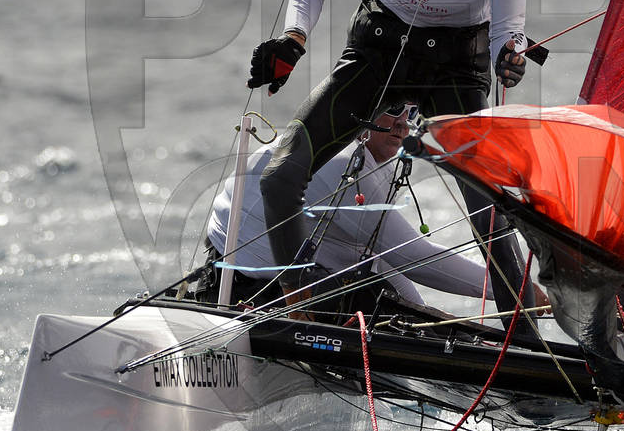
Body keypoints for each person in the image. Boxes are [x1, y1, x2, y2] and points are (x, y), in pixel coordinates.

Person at [247, 0, 536, 331]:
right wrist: (293, 39)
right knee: (279, 177)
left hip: (456, 66)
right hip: (381, 49)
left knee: (488, 211)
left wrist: (509, 55)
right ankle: (299, 309)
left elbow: (508, 28)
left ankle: (526, 341)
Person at [206, 112, 488, 309]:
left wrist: (421, 311)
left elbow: (383, 257)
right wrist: (508, 289)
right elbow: (412, 257)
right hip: (240, 290)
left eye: (411, 112)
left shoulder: (368, 160)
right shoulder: (344, 162)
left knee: (386, 299)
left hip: (269, 282)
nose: (403, 123)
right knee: (370, 298)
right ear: (366, 107)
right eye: (394, 109)